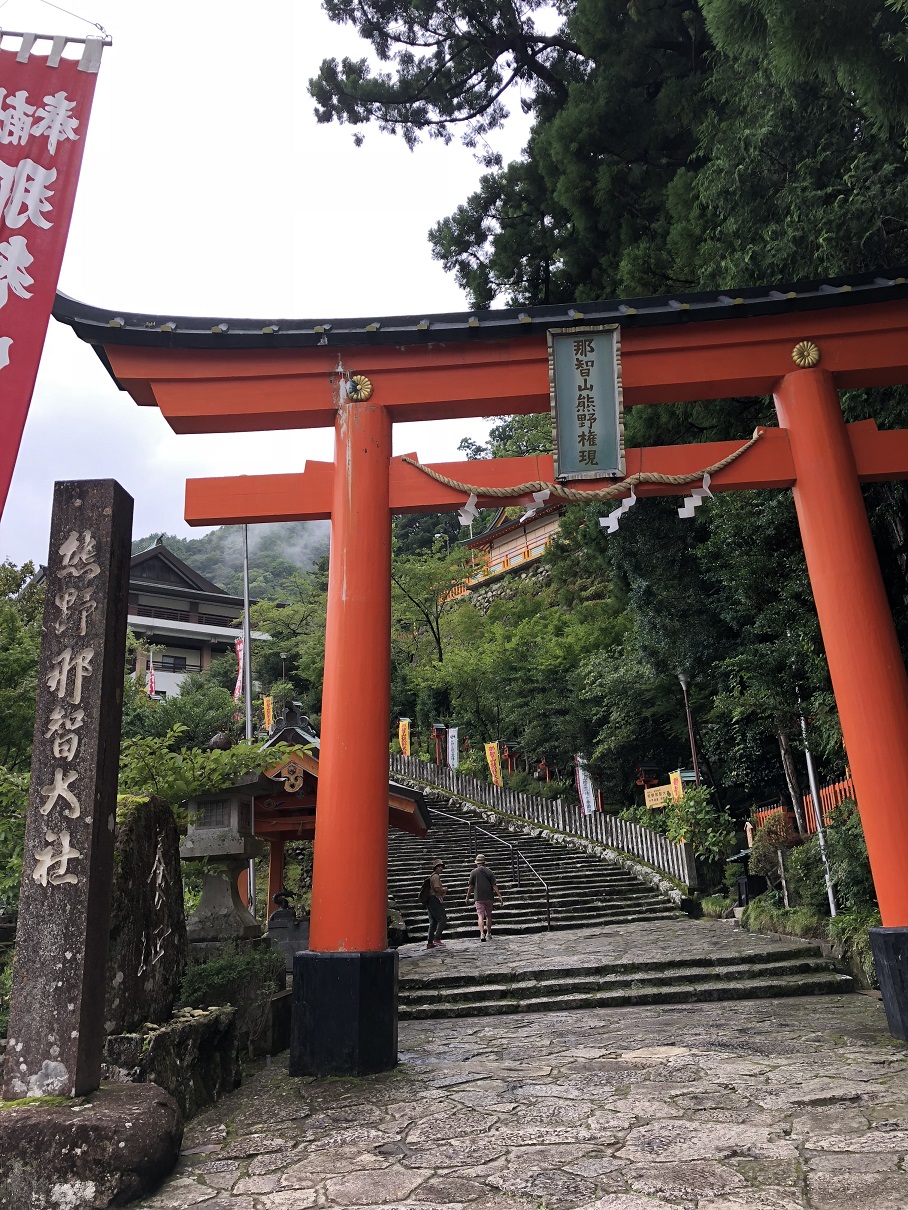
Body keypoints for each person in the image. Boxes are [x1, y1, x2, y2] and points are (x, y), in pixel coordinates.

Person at [465, 853, 503, 941]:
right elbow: (494, 885)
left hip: (478, 897)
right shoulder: (490, 872)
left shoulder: (473, 872)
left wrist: (467, 897)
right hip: (489, 897)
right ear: (484, 862)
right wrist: (499, 896)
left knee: (480, 915)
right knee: (488, 916)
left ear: (476, 863)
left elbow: (471, 886)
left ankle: (482, 933)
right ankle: (488, 933)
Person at [426, 859, 448, 949]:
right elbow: (437, 889)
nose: (441, 868)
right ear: (436, 867)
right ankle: (437, 938)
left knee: (433, 922)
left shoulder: (432, 876)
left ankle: (430, 942)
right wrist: (444, 890)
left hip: (429, 900)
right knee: (442, 919)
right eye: (439, 867)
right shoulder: (435, 876)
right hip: (433, 899)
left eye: (442, 867)